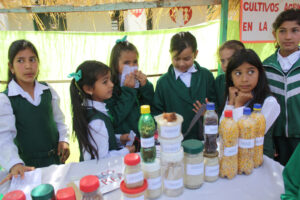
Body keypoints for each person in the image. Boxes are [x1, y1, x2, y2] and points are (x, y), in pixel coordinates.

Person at [0, 40, 70, 183]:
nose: (28, 66)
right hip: (27, 168)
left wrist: (63, 139)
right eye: (20, 60)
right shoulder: (6, 99)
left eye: (32, 60)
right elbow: (4, 137)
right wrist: (14, 163)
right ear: (11, 67)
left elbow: (59, 120)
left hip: (55, 162)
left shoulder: (47, 90)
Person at [153, 31, 216, 140]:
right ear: (170, 54)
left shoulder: (206, 77)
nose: (181, 64)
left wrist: (208, 114)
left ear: (195, 54)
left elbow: (217, 106)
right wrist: (166, 120)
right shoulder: (163, 83)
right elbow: (157, 114)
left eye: (187, 59)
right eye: (176, 59)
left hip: (203, 140)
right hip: (174, 142)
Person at [69, 60, 135, 161]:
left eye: (110, 80)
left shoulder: (90, 110)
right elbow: (102, 159)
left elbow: (98, 140)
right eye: (105, 82)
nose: (111, 84)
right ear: (88, 89)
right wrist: (126, 151)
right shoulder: (97, 122)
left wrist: (118, 138)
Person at [221, 49, 280, 158]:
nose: (244, 79)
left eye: (251, 72)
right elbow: (223, 132)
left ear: (260, 73)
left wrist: (238, 106)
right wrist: (230, 103)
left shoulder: (270, 102)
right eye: (238, 73)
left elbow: (246, 138)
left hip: (258, 161)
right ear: (230, 76)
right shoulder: (234, 94)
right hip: (233, 159)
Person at [263, 8, 300, 165]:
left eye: (294, 31)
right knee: (278, 178)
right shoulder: (265, 67)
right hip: (275, 138)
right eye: (282, 31)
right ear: (274, 34)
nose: (288, 37)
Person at [105, 36, 154, 142]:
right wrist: (128, 91)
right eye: (126, 63)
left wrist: (145, 87)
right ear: (115, 64)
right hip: (123, 143)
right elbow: (114, 118)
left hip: (142, 139)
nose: (132, 66)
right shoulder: (109, 88)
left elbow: (150, 106)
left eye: (135, 62)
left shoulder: (139, 83)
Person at [215, 40, 245, 116]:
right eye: (222, 61)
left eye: (230, 60)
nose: (225, 65)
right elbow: (218, 110)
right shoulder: (219, 81)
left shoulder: (247, 82)